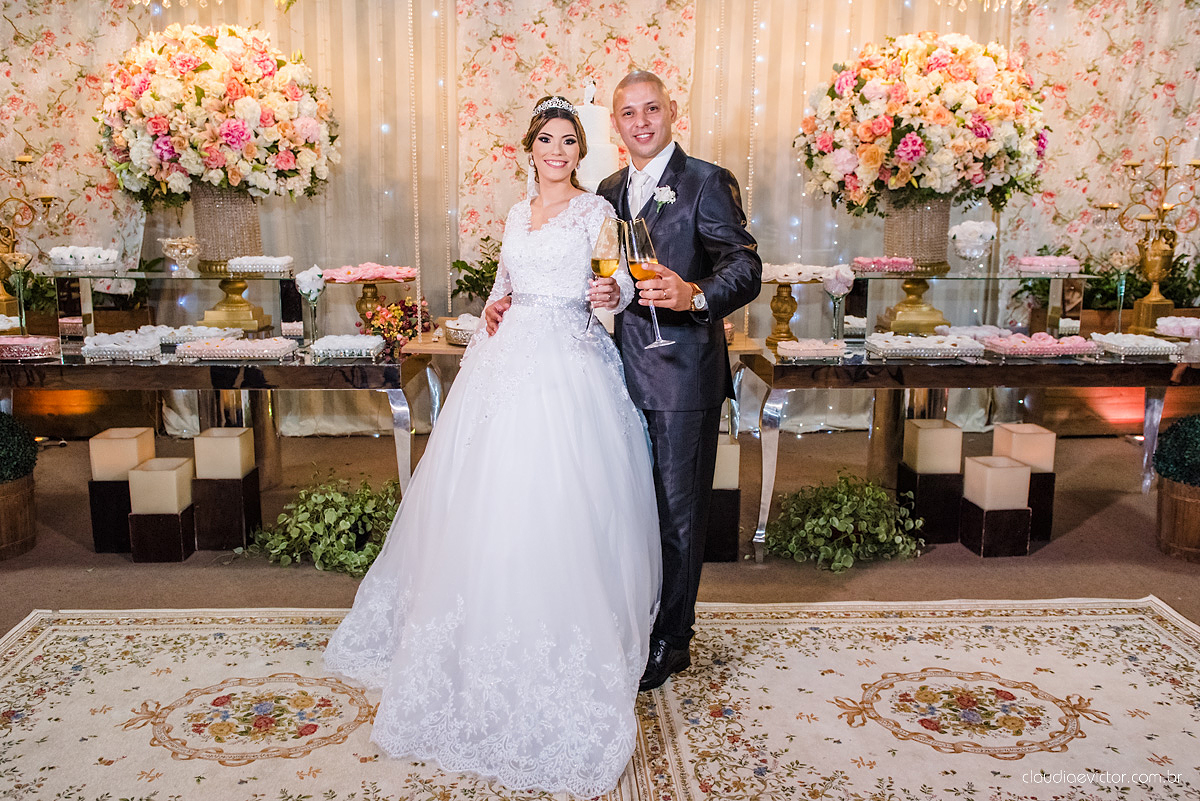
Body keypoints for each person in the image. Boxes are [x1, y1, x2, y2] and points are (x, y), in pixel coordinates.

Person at [324, 96, 662, 797]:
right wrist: (494, 306)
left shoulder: (599, 215)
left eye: (569, 141)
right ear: (529, 146)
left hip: (569, 362)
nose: (558, 151)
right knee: (484, 500)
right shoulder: (514, 214)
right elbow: (505, 284)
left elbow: (620, 288)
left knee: (557, 500)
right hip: (504, 362)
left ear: (580, 152)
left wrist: (612, 290)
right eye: (547, 139)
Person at [597, 70, 762, 691]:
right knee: (629, 506)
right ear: (616, 125)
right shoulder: (609, 190)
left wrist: (695, 295)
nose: (641, 122)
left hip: (683, 374)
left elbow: (745, 264)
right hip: (616, 372)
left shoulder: (704, 181)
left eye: (652, 109)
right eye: (628, 113)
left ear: (672, 113)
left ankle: (674, 637)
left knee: (678, 511)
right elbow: (604, 271)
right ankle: (639, 618)